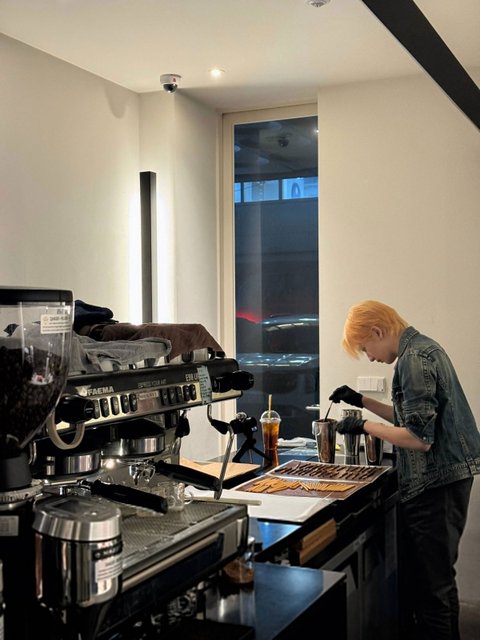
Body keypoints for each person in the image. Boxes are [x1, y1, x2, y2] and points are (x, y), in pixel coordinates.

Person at [329, 300, 480, 640]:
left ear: (377, 331)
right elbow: (411, 417)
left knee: (431, 591)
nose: (369, 358)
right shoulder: (422, 349)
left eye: (365, 348)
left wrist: (363, 425)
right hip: (446, 480)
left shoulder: (414, 360)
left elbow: (418, 438)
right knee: (438, 583)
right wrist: (361, 401)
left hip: (436, 485)